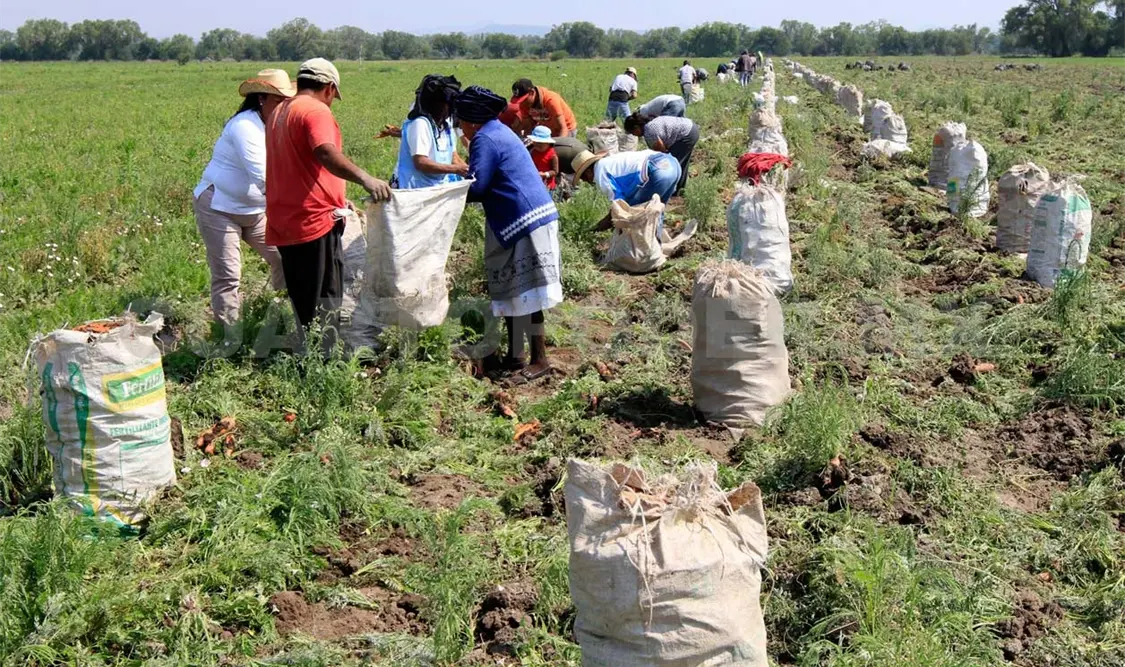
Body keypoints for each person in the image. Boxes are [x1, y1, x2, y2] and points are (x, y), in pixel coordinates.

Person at [265, 58, 391, 344]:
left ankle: (308, 352)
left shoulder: (279, 112)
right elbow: (324, 153)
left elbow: (301, 164)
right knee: (326, 298)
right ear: (330, 88)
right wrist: (366, 178)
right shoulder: (315, 111)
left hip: (285, 219)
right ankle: (323, 361)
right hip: (312, 220)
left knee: (303, 296)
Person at [454, 85, 562, 385]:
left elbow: (478, 186)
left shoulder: (485, 139)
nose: (459, 125)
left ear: (472, 119)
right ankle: (516, 357)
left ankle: (540, 360)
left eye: (460, 119)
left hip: (524, 219)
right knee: (517, 291)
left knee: (529, 292)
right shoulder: (496, 132)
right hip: (526, 217)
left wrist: (444, 194)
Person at [192, 69, 293, 329]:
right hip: (220, 207)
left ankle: (279, 311)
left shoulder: (279, 125)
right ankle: (229, 334)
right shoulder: (245, 126)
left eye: (286, 101)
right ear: (261, 99)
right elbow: (264, 176)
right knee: (228, 275)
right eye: (278, 100)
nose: (284, 107)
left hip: (255, 211)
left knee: (285, 257)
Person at [572, 148, 681, 235]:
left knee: (636, 213)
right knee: (656, 211)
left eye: (583, 178)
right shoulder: (609, 162)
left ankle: (641, 254)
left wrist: (596, 229)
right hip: (673, 164)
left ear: (587, 172)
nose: (586, 181)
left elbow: (620, 208)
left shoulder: (600, 173)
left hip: (659, 173)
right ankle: (655, 250)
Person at [393, 74, 469, 189]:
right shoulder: (420, 124)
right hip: (412, 188)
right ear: (437, 105)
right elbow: (421, 162)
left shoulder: (446, 126)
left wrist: (470, 172)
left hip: (434, 187)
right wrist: (456, 169)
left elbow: (453, 157)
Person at [624, 113, 700, 195]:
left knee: (673, 165)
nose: (634, 135)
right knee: (680, 163)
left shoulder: (649, 131)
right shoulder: (650, 123)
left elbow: (662, 153)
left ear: (636, 127)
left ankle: (672, 192)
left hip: (686, 134)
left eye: (633, 132)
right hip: (691, 128)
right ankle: (679, 190)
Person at [513, 78, 577, 137]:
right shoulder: (523, 104)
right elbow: (528, 128)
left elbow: (563, 128)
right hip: (547, 129)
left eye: (524, 100)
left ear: (531, 92)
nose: (522, 103)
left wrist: (557, 146)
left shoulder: (551, 100)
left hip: (566, 130)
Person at [526, 126, 559, 191]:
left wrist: (545, 174)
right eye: (535, 143)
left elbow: (555, 171)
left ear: (548, 143)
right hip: (534, 181)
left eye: (540, 144)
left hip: (546, 184)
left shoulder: (552, 155)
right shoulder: (533, 150)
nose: (537, 146)